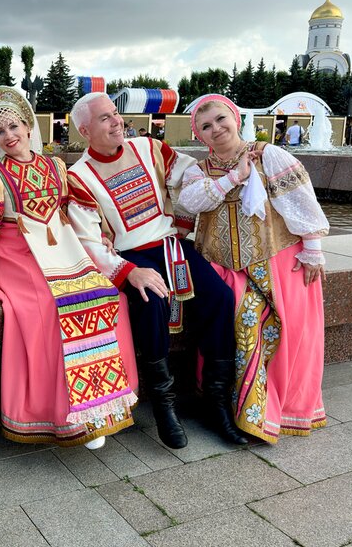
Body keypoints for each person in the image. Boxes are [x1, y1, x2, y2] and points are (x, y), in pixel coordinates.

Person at [0, 86, 139, 449]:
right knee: (50, 305)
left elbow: (80, 207)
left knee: (106, 295)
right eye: (0, 131)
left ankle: (100, 406)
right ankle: (65, 411)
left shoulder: (55, 165)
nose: (9, 136)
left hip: (60, 246)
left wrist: (102, 237)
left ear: (29, 126)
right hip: (14, 254)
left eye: (14, 126)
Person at [67, 92, 247, 449]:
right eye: (105, 118)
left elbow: (192, 174)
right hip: (132, 255)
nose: (117, 121)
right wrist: (128, 272)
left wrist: (233, 166)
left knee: (220, 297)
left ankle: (217, 404)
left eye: (116, 114)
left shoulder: (150, 148)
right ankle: (165, 406)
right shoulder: (78, 176)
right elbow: (88, 238)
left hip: (171, 245)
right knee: (151, 303)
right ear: (85, 131)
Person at [179, 94, 329, 443]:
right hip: (224, 267)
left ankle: (267, 412)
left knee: (272, 329)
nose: (216, 129)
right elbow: (191, 202)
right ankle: (237, 409)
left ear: (234, 117)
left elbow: (302, 202)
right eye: (206, 126)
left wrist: (312, 250)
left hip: (276, 262)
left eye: (220, 119)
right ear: (199, 135)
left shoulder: (269, 155)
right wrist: (234, 178)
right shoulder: (198, 172)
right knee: (243, 321)